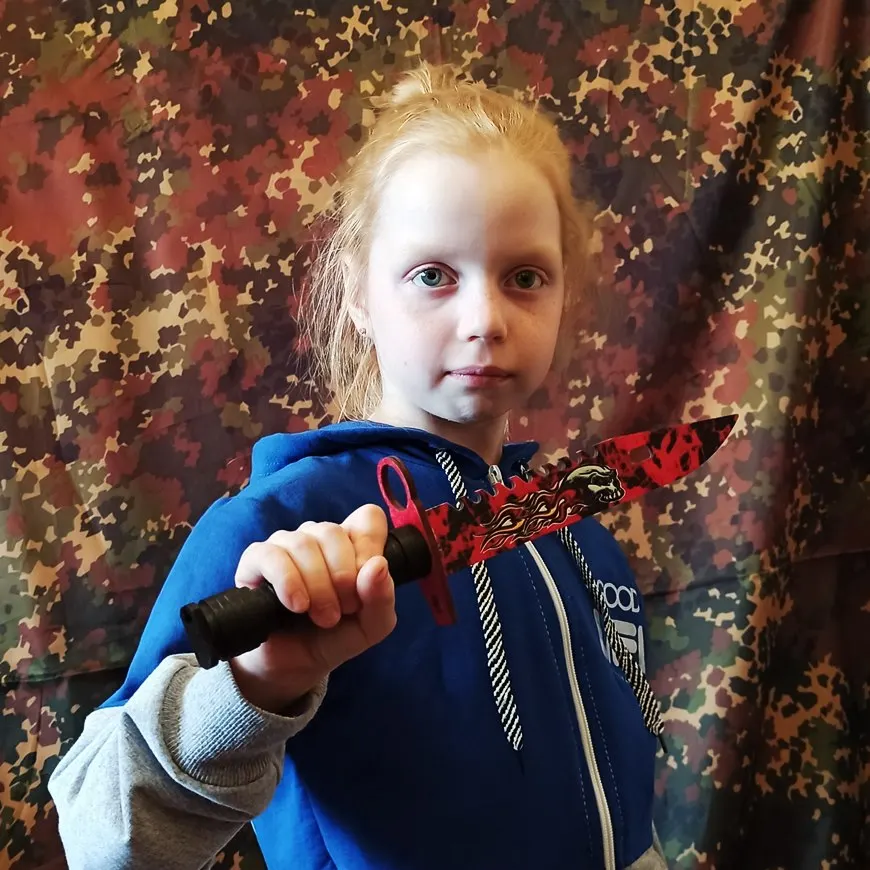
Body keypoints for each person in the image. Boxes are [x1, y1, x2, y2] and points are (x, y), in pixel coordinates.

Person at [49, 62, 667, 870]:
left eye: (524, 277)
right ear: (358, 294)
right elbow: (102, 840)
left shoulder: (567, 526)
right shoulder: (276, 531)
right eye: (432, 276)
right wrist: (251, 687)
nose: (484, 319)